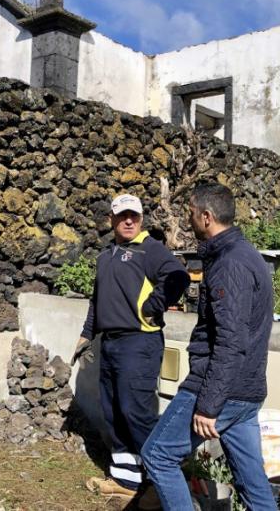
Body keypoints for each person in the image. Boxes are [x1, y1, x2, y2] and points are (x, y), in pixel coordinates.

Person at [140, 183, 277, 510]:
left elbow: (231, 340)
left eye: (190, 213)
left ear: (206, 216)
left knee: (157, 455)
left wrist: (209, 405)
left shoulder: (230, 264)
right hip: (245, 394)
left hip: (219, 390)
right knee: (253, 487)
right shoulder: (246, 255)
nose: (187, 220)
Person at [74, 193, 189, 503]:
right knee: (114, 412)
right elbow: (97, 300)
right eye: (122, 216)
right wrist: (86, 334)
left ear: (141, 219)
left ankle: (161, 481)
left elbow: (178, 277)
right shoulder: (105, 256)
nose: (128, 221)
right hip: (111, 343)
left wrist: (153, 305)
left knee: (135, 411)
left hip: (139, 343)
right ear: (110, 219)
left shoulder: (150, 249)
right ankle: (126, 480)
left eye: (134, 216)